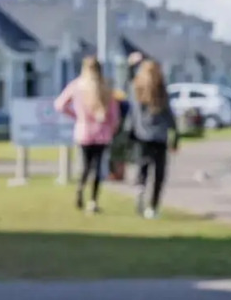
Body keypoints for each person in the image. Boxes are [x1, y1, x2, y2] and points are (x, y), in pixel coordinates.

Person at [54, 55, 121, 212]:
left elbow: (59, 105)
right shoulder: (105, 87)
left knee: (85, 165)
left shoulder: (77, 86)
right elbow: (114, 114)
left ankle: (80, 189)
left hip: (83, 130)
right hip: (102, 131)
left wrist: (76, 115)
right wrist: (112, 128)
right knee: (98, 167)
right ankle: (93, 201)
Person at [128, 59, 177, 220]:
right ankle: (153, 207)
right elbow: (169, 114)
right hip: (160, 137)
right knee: (159, 173)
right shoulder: (162, 91)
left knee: (143, 167)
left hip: (142, 135)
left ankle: (140, 189)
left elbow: (133, 112)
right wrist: (175, 134)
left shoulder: (137, 88)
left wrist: (131, 66)